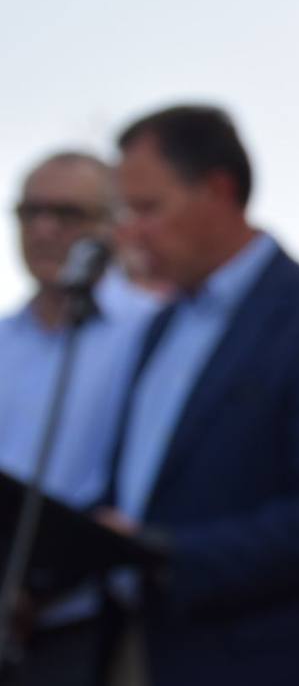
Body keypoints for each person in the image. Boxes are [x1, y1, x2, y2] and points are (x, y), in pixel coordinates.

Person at [97, 106, 299, 686]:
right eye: (125, 211)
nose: (130, 231)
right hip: (157, 650)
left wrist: (166, 553)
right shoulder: (162, 326)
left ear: (216, 191)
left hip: (267, 658)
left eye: (148, 208)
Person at [0, 152, 156, 686]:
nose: (44, 228)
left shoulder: (150, 332)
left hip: (94, 622)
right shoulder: (3, 341)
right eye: (29, 211)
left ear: (110, 225)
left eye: (67, 214)